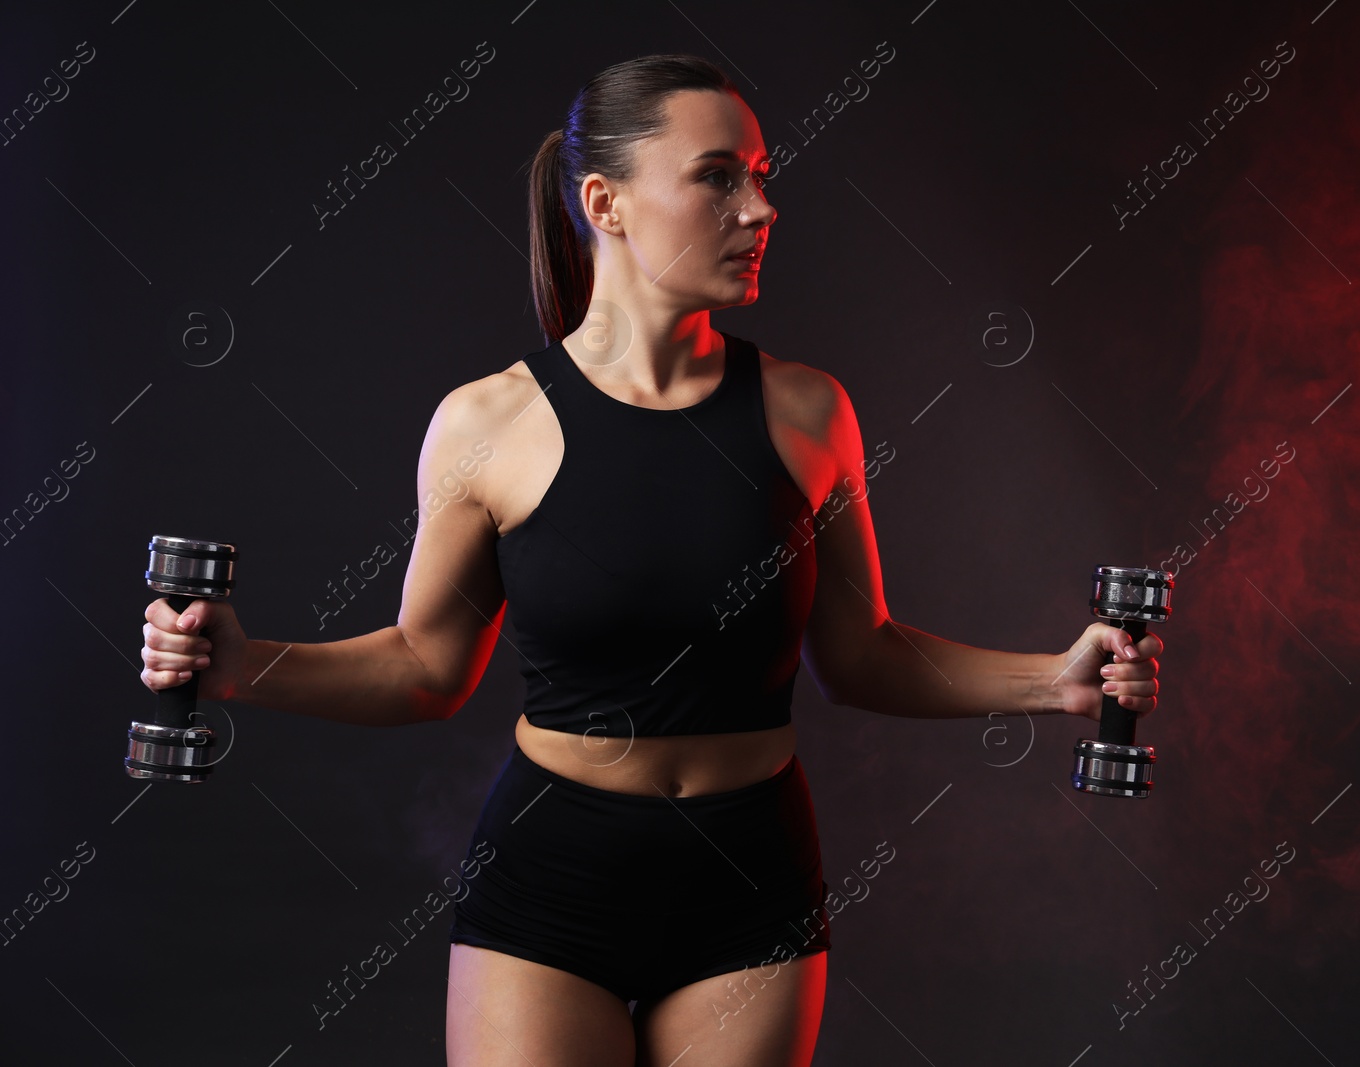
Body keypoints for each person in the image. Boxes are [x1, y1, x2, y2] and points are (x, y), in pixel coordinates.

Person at [139, 53, 1162, 1067]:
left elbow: (862, 654)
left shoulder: (811, 413)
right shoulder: (486, 422)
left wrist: (1054, 682)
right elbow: (423, 666)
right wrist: (242, 664)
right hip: (551, 878)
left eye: (761, 176)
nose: (759, 208)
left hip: (749, 879)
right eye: (719, 176)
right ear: (607, 202)